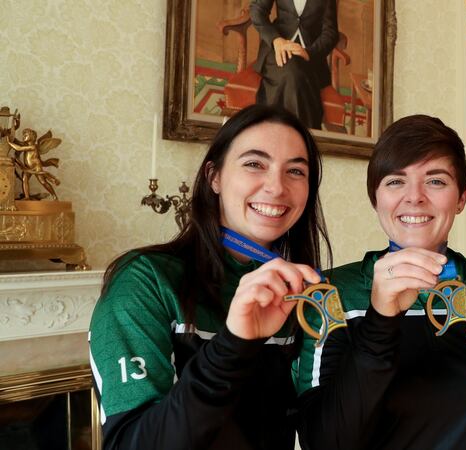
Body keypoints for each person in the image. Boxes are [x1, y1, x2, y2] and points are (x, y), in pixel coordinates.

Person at [89, 104, 331, 449]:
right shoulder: (145, 280)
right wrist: (233, 343)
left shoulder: (302, 295)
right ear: (213, 177)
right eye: (254, 164)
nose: (277, 187)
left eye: (295, 171)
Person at [295, 115, 466, 449]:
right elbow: (325, 441)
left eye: (435, 181)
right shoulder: (331, 293)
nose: (414, 197)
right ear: (376, 197)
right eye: (395, 181)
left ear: (461, 197)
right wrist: (381, 318)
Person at [250, 0, 338, 130]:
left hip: (310, 56)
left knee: (297, 75)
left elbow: (330, 33)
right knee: (293, 75)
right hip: (277, 49)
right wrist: (276, 40)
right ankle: (301, 135)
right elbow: (257, 11)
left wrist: (310, 53)